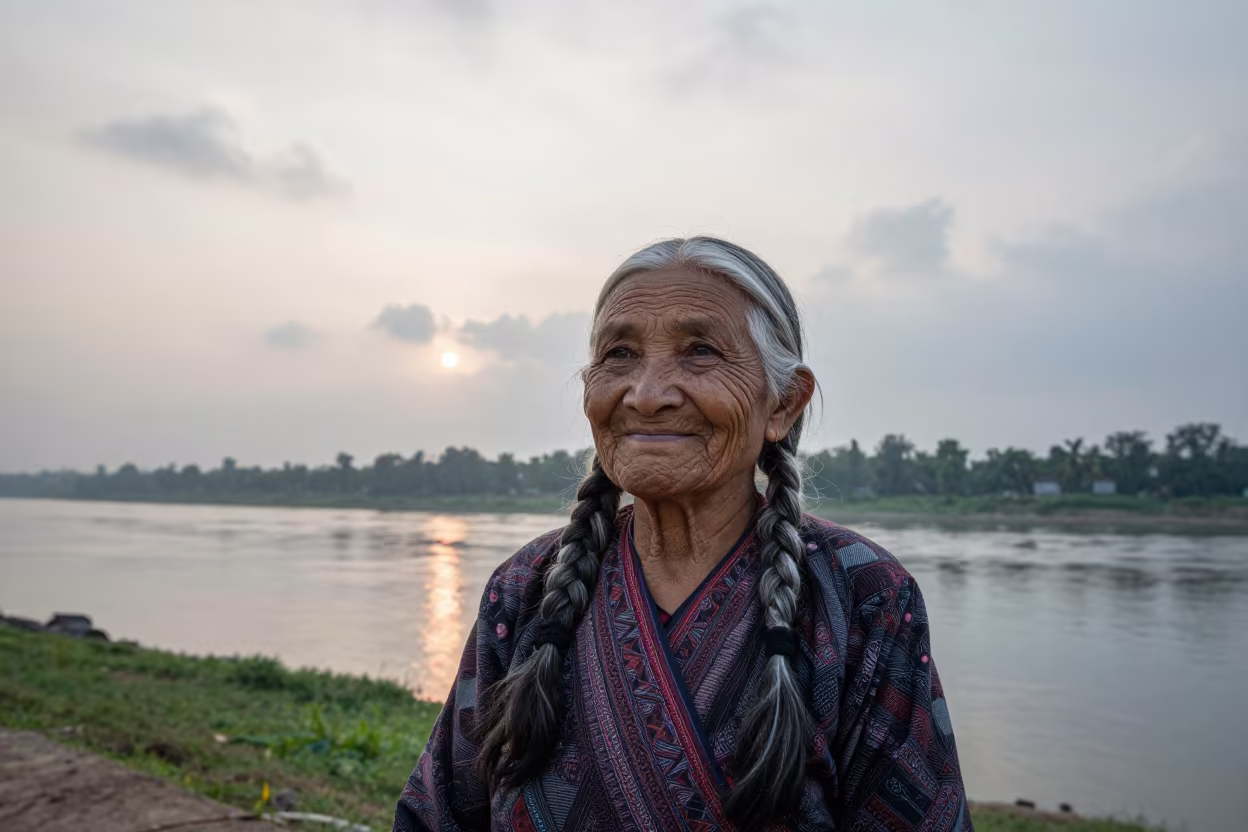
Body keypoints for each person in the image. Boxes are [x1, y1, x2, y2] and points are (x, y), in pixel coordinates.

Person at [395, 237, 971, 831]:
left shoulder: (861, 594)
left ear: (784, 404)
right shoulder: (526, 588)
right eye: (619, 353)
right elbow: (436, 816)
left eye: (700, 351)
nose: (646, 395)